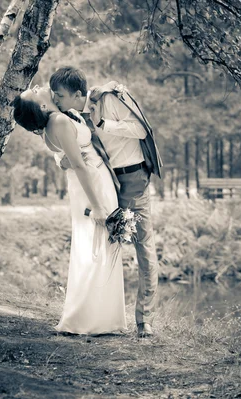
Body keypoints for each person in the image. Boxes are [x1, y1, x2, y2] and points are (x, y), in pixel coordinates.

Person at [49, 67, 162, 338]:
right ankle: (103, 317)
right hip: (107, 183)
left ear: (78, 94)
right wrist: (60, 160)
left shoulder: (108, 99)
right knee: (106, 245)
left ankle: (144, 320)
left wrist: (103, 124)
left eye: (60, 95)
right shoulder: (71, 114)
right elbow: (71, 143)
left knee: (143, 246)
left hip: (134, 177)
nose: (56, 100)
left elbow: (142, 130)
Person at [12, 84, 127, 335]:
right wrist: (97, 206)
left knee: (95, 245)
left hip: (88, 182)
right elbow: (79, 165)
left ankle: (102, 317)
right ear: (42, 105)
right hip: (91, 186)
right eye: (32, 92)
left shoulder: (56, 122)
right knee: (95, 245)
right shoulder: (60, 122)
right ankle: (89, 320)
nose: (35, 86)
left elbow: (67, 158)